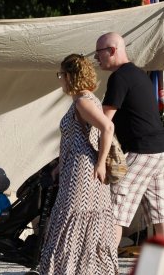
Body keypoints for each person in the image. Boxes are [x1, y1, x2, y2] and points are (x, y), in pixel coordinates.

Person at [39, 54, 118, 274]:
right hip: (75, 168)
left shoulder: (83, 100)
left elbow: (107, 128)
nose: (60, 80)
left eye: (61, 75)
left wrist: (101, 163)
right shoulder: (85, 99)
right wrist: (58, 166)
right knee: (79, 222)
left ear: (70, 76)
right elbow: (78, 137)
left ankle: (68, 270)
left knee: (71, 220)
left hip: (82, 172)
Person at [95, 32, 164, 246]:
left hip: (142, 150)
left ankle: (105, 266)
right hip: (159, 151)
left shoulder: (120, 77)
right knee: (160, 212)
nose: (97, 58)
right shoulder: (138, 74)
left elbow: (104, 122)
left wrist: (99, 160)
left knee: (115, 206)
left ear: (112, 51)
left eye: (99, 53)